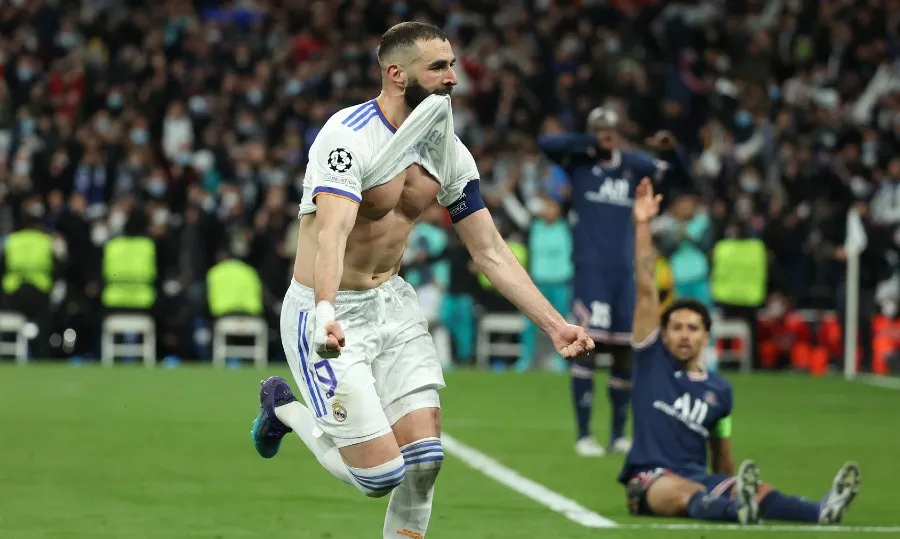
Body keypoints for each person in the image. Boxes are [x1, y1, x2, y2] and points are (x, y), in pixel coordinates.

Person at [249, 21, 594, 539]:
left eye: (452, 64)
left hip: (392, 304)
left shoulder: (448, 151)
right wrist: (324, 312)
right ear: (396, 74)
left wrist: (554, 324)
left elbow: (489, 249)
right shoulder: (346, 137)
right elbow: (332, 233)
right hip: (328, 313)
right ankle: (283, 409)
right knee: (379, 477)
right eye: (438, 67)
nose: (453, 77)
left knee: (426, 460)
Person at [619, 178, 861, 526]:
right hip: (650, 478)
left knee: (758, 491)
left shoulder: (720, 390)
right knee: (684, 492)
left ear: (706, 337)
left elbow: (722, 456)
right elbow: (646, 290)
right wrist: (642, 224)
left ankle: (820, 511)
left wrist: (734, 486)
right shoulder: (650, 360)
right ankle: (736, 512)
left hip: (701, 478)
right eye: (676, 328)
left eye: (692, 329)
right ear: (665, 336)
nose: (684, 335)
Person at [538, 107, 692, 457]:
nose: (607, 134)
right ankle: (584, 435)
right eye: (600, 129)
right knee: (587, 347)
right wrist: (590, 141)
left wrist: (672, 152)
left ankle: (619, 434)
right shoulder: (579, 163)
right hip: (591, 271)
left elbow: (680, 181)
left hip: (626, 271)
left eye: (611, 129)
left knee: (625, 350)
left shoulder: (633, 165)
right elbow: (546, 143)